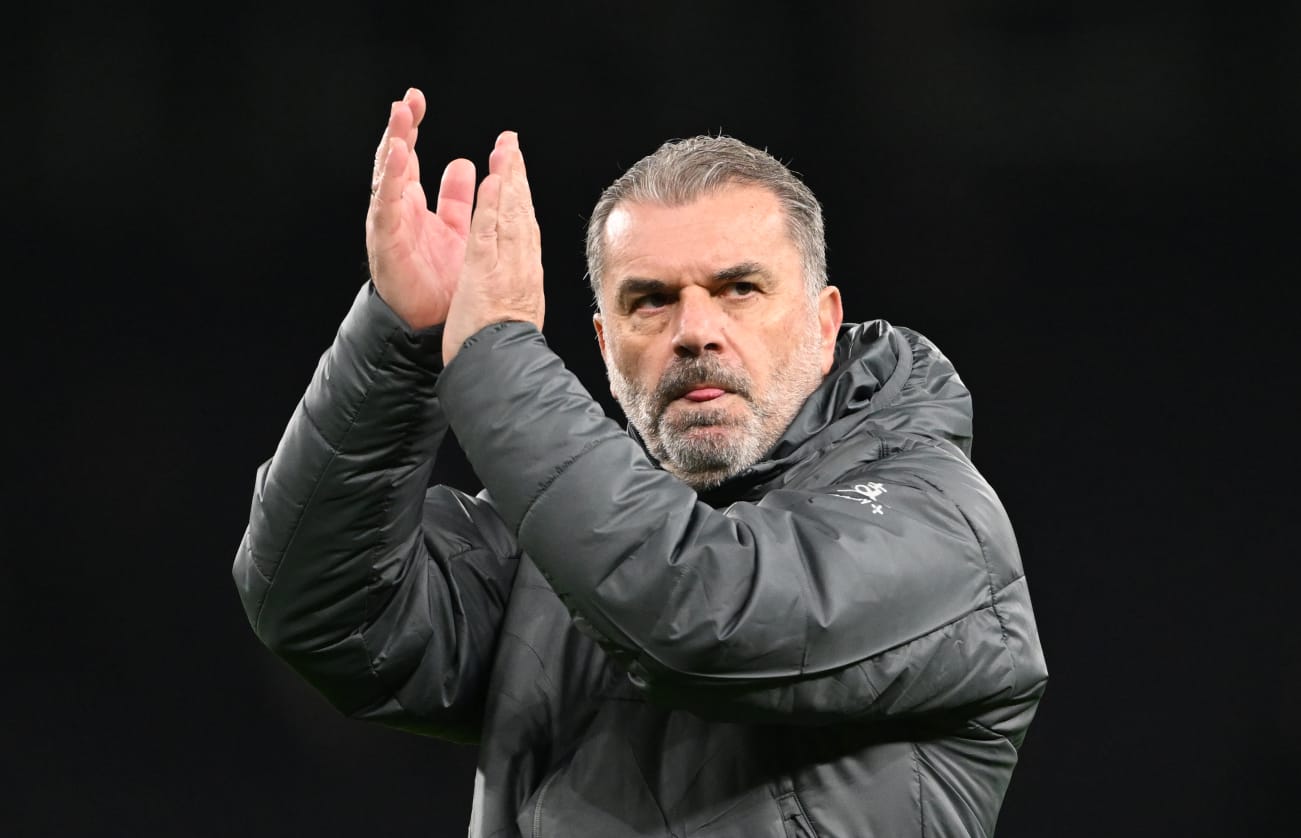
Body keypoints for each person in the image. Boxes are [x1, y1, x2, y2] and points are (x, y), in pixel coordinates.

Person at [233, 86, 1047, 837]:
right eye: (649, 300)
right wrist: (402, 339)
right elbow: (321, 608)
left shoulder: (937, 524)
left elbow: (707, 614)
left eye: (738, 289)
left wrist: (495, 356)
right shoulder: (567, 537)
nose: (692, 329)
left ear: (825, 321)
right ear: (602, 344)